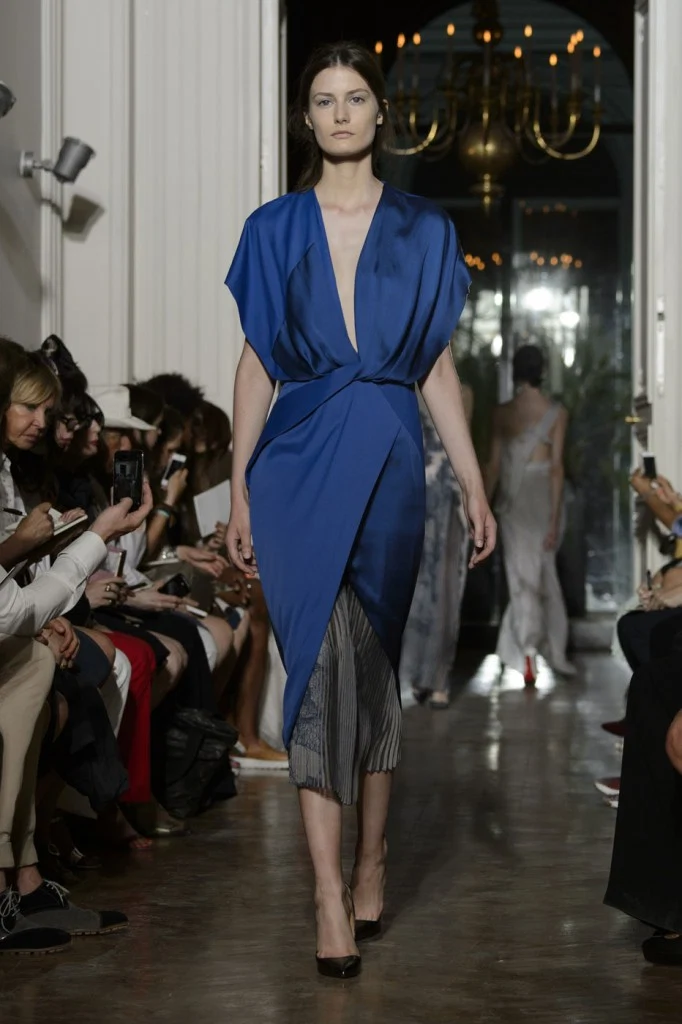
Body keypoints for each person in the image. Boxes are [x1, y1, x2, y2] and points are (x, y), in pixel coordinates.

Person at [225, 41, 495, 978]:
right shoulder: (272, 228)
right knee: (312, 673)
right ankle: (327, 893)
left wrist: (473, 481)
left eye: (355, 98)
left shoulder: (423, 229)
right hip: (295, 465)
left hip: (386, 456)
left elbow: (434, 366)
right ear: (306, 119)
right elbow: (256, 363)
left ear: (381, 114)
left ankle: (373, 858)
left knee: (372, 666)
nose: (340, 114)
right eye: (323, 100)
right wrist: (240, 488)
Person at [485, 344, 575, 684]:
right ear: (543, 372)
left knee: (520, 576)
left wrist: (483, 507)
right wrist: (554, 519)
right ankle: (550, 650)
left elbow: (494, 466)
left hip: (513, 500)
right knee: (543, 575)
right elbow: (556, 469)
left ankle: (526, 650)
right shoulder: (557, 413)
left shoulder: (502, 413)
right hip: (542, 499)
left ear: (515, 372)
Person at [401, 383, 474, 709]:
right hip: (408, 491)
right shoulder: (399, 380)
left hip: (447, 495)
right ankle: (411, 674)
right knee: (410, 584)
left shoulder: (462, 390)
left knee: (444, 585)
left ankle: (438, 677)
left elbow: (463, 444)